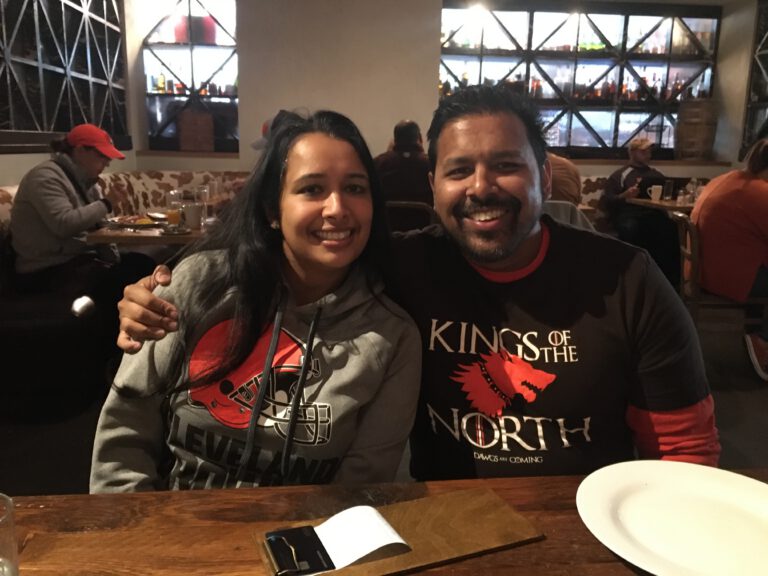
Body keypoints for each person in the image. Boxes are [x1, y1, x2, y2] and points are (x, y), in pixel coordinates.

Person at [116, 85, 720, 480]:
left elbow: (685, 453)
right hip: (445, 522)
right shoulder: (400, 265)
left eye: (506, 165)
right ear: (432, 184)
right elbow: (291, 262)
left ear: (544, 172)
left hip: (584, 527)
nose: (481, 187)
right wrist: (159, 294)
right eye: (459, 170)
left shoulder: (628, 281)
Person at [90, 110, 421, 492]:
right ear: (272, 210)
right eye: (312, 189)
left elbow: (360, 488)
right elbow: (124, 442)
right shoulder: (198, 284)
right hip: (170, 522)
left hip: (310, 528)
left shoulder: (391, 337)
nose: (337, 208)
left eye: (355, 188)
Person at [10, 123, 155, 351]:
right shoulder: (45, 177)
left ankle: (142, 343)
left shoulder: (86, 181)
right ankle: (112, 350)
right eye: (102, 156)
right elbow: (64, 224)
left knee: (144, 265)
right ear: (80, 151)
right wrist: (106, 203)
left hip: (77, 260)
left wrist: (115, 223)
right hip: (44, 270)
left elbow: (95, 223)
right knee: (119, 281)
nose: (106, 163)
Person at [692, 139, 768, 380]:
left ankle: (754, 332)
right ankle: (762, 342)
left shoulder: (725, 180)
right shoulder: (758, 192)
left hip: (704, 269)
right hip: (730, 276)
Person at [600, 137, 679, 286]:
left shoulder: (656, 175)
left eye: (649, 152)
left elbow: (670, 194)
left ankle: (669, 281)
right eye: (643, 152)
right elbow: (607, 201)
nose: (648, 155)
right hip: (628, 215)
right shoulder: (620, 175)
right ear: (632, 153)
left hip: (652, 214)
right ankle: (631, 277)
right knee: (632, 228)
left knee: (672, 228)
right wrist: (624, 196)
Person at [374, 120, 433, 205]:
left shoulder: (379, 163)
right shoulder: (431, 163)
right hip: (424, 213)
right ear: (420, 138)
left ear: (395, 140)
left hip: (388, 213)